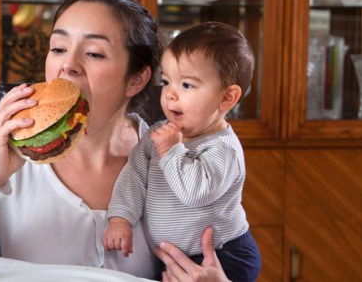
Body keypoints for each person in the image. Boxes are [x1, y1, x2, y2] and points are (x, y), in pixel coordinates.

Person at [0, 0, 232, 282]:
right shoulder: (4, 139)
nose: (67, 65)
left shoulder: (174, 155)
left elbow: (220, 249)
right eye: (58, 48)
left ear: (137, 79)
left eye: (93, 53)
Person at [103, 22, 262, 282]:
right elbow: (133, 176)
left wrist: (172, 150)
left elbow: (196, 193)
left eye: (187, 85)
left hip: (222, 256)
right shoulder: (159, 133)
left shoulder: (223, 148)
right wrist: (120, 218)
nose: (170, 95)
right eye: (166, 81)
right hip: (171, 255)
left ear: (227, 98)